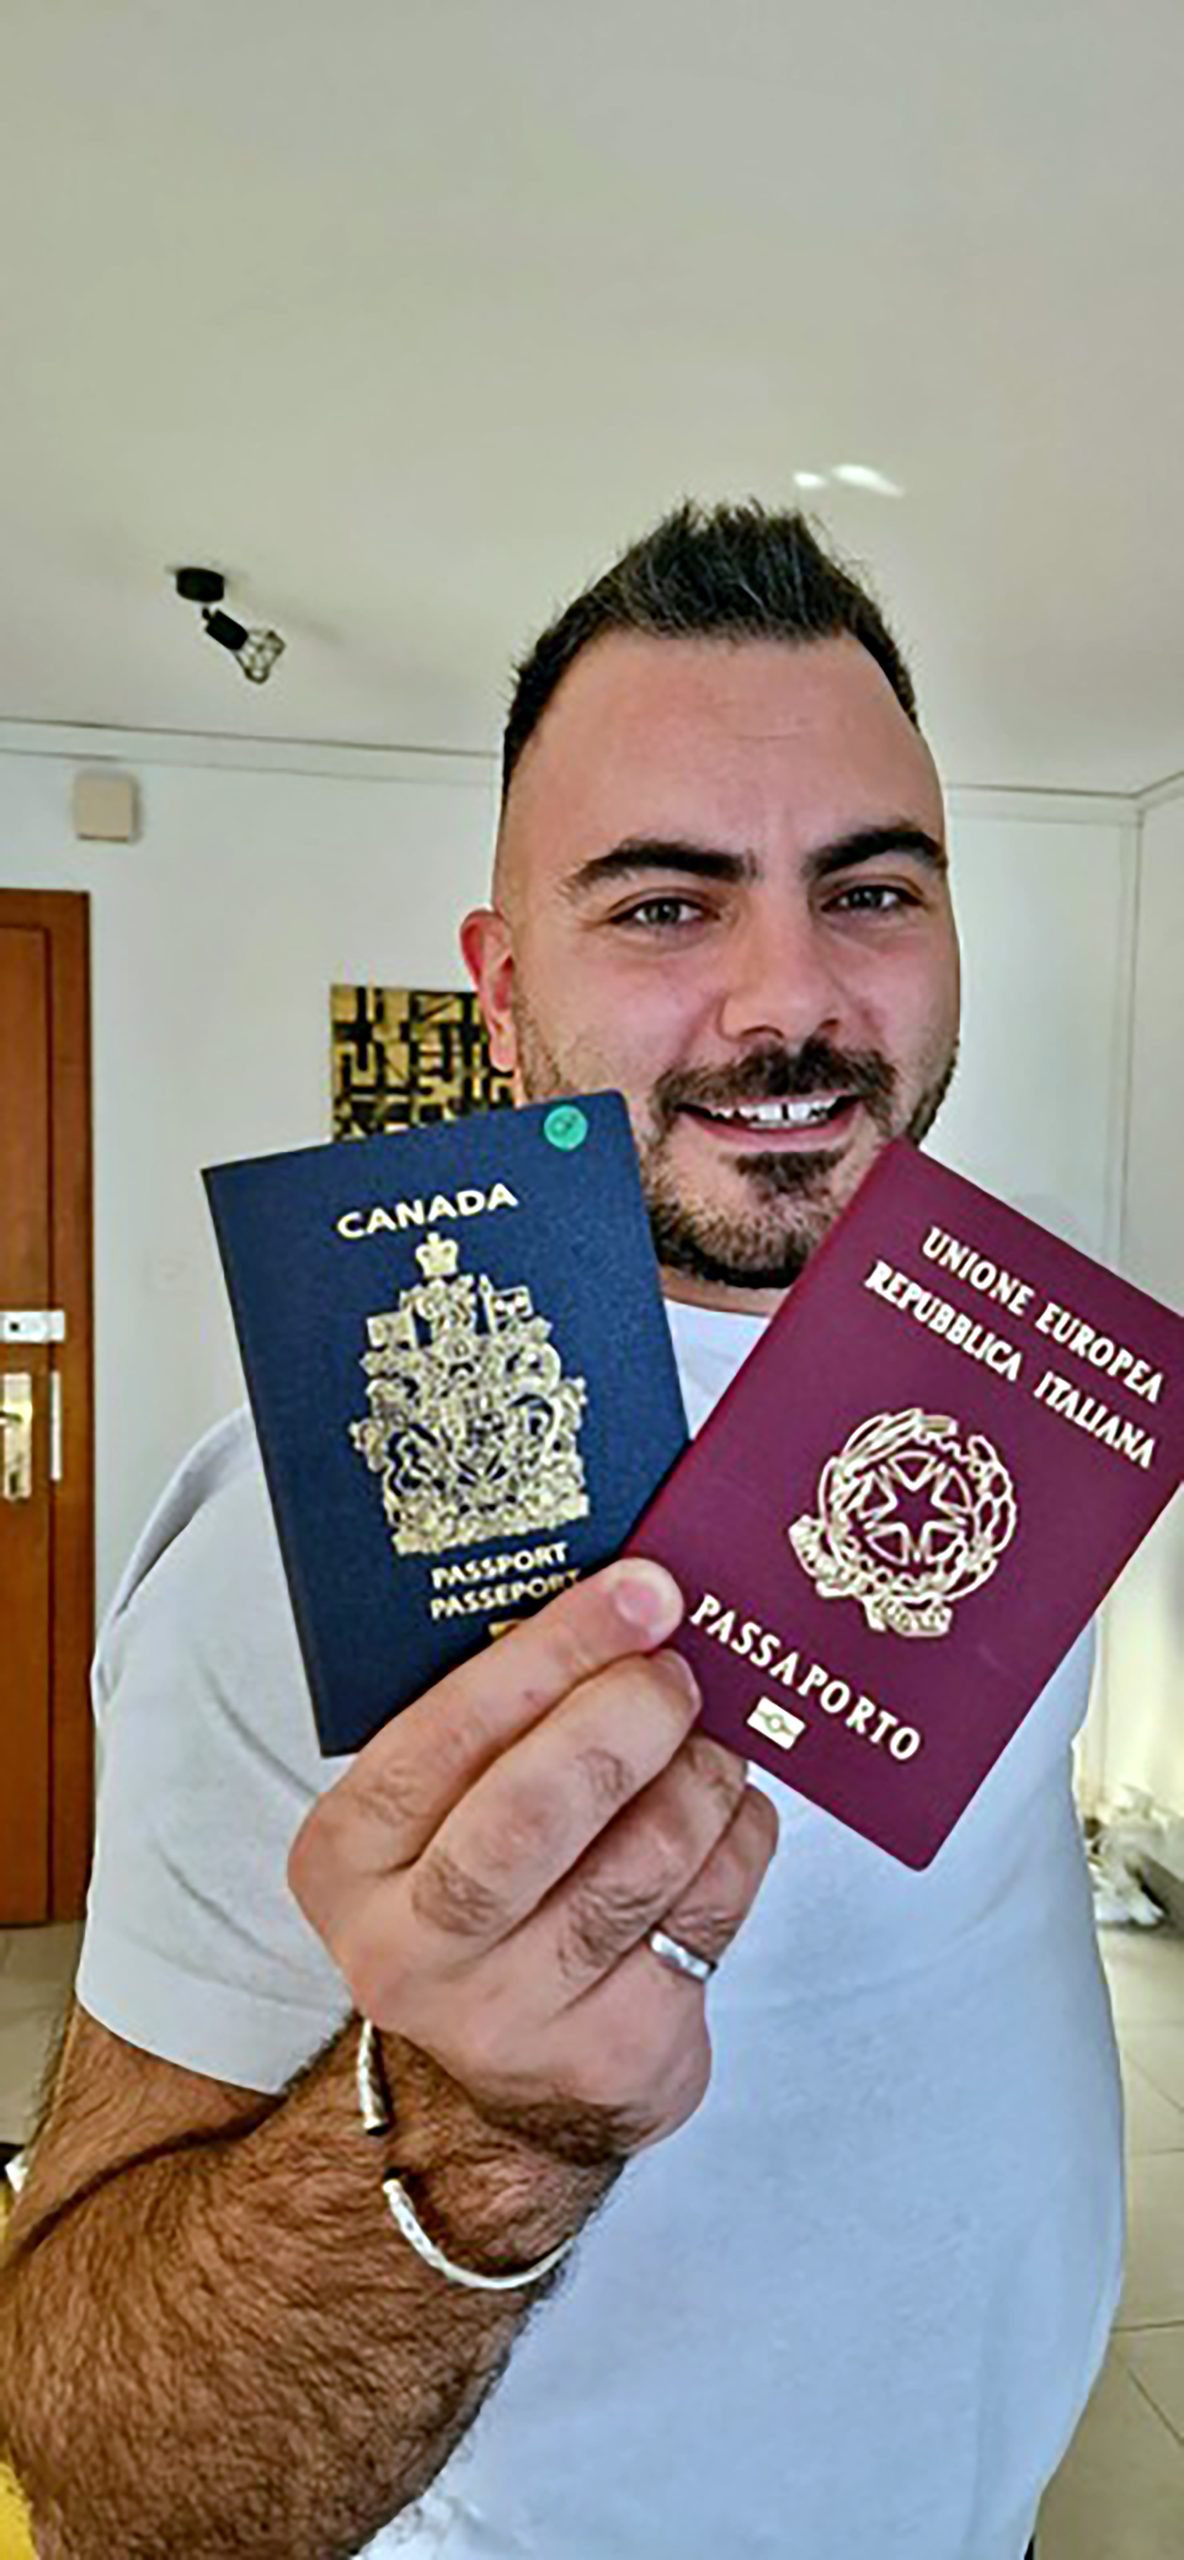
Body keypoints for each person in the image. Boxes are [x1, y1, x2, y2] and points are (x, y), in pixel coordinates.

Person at [0, 504, 1122, 2560]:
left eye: (869, 888)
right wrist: (481, 2120)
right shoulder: (296, 1536)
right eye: (667, 906)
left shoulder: (1017, 1382)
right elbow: (109, 2466)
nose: (793, 997)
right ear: (504, 993)